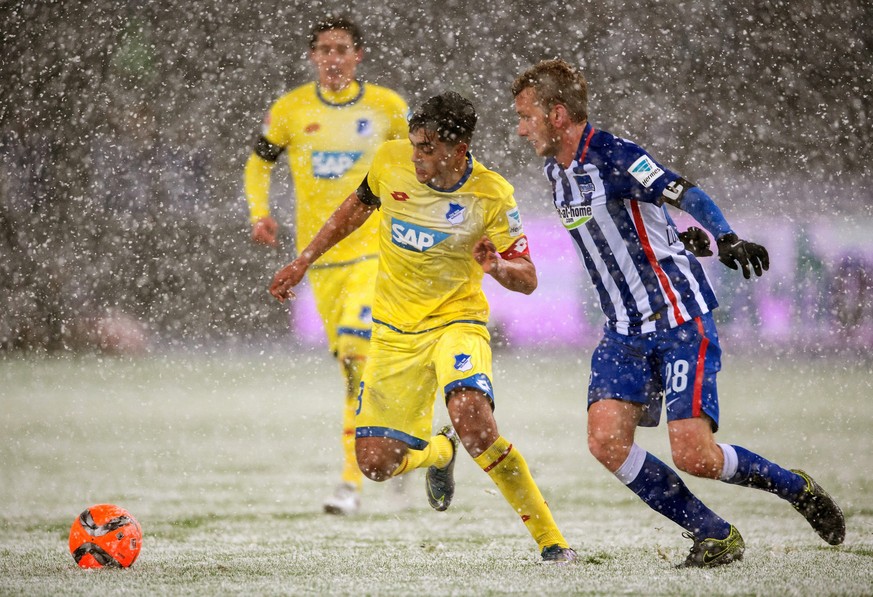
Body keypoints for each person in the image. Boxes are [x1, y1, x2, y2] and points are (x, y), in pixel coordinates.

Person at [511, 59, 845, 567]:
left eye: (526, 116)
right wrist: (675, 238)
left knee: (696, 457)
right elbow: (636, 223)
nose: (520, 128)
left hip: (678, 320)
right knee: (606, 443)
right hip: (623, 330)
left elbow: (682, 191)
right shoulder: (555, 169)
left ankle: (794, 487)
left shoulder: (616, 156)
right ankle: (713, 533)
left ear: (558, 114)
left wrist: (724, 237)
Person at [270, 92, 577, 563]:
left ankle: (552, 542)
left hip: (457, 322)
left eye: (428, 147)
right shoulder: (391, 161)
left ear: (460, 148)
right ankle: (438, 453)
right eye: (414, 143)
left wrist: (496, 267)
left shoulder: (492, 194)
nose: (415, 155)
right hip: (393, 331)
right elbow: (354, 209)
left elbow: (529, 279)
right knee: (374, 464)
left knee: (474, 421)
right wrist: (305, 260)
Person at [244, 16, 409, 515]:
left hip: (375, 252)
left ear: (358, 56)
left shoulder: (387, 107)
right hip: (321, 261)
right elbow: (259, 162)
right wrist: (260, 213)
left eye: (341, 49)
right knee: (355, 372)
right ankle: (401, 443)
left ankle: (350, 484)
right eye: (323, 50)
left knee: (360, 356)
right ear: (313, 57)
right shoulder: (291, 110)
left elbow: (417, 164)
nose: (332, 58)